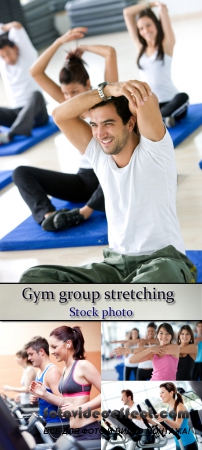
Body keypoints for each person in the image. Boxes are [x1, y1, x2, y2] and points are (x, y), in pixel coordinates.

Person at [19, 77, 197, 283]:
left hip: (164, 263)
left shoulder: (155, 150)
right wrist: (108, 90)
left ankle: (118, 306)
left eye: (108, 123)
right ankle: (120, 309)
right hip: (116, 267)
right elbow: (59, 115)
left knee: (149, 285)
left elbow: (147, 99)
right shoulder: (98, 154)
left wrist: (120, 89)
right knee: (33, 279)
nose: (100, 133)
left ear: (131, 123)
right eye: (94, 125)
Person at [13, 27, 118, 232]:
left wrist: (81, 47)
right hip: (83, 179)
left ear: (88, 84)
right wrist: (59, 42)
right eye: (65, 93)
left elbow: (110, 52)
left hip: (108, 176)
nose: (70, 98)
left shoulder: (105, 99)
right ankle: (49, 216)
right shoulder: (68, 106)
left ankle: (84, 212)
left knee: (119, 170)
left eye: (75, 92)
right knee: (21, 172)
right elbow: (35, 71)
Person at [123, 2, 189, 127]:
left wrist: (160, 8)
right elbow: (127, 13)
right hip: (151, 104)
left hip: (171, 101)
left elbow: (163, 11)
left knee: (183, 97)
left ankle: (159, 118)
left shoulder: (166, 45)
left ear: (156, 25)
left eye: (148, 25)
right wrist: (150, 4)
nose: (145, 30)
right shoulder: (140, 47)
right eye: (141, 28)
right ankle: (162, 119)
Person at [29, 326, 101, 441]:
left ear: (68, 344)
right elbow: (65, 402)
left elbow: (105, 394)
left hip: (88, 430)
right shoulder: (65, 369)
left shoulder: (83, 365)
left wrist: (78, 408)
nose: (51, 352)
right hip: (74, 431)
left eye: (54, 347)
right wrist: (44, 394)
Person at [0, 21, 48, 144]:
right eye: (3, 56)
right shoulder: (3, 65)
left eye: (9, 53)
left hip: (38, 115)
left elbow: (17, 26)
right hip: (17, 114)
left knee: (36, 95)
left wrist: (4, 27)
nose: (7, 59)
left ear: (15, 49)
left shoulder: (28, 56)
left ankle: (11, 135)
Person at [114, 323, 179, 380]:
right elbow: (131, 360)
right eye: (161, 333)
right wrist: (149, 349)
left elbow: (156, 349)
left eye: (167, 333)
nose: (164, 336)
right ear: (157, 335)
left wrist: (127, 350)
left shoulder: (175, 348)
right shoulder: (152, 352)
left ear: (171, 336)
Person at [24, 336, 63, 424]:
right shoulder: (39, 372)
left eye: (31, 354)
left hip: (55, 425)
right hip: (44, 422)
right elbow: (48, 396)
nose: (29, 358)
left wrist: (43, 395)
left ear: (41, 352)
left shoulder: (52, 372)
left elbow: (62, 402)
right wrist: (38, 398)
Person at [156, 382, 198, 450]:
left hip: (188, 443)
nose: (160, 395)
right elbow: (165, 428)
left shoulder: (180, 406)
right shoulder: (168, 409)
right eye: (160, 393)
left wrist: (165, 418)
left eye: (162, 392)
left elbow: (177, 425)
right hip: (178, 443)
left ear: (171, 393)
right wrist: (151, 421)